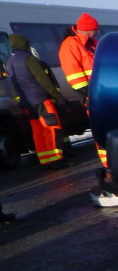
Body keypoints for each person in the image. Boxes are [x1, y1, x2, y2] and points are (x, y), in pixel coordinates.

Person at [5, 34, 72, 168]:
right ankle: (57, 160)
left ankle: (45, 160)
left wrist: (20, 101)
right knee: (52, 128)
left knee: (38, 131)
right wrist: (57, 95)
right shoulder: (29, 59)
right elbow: (44, 80)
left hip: (28, 103)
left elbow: (15, 85)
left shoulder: (9, 62)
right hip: (42, 99)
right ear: (24, 43)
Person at [59, 13, 104, 166]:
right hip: (92, 95)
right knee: (102, 128)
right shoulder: (70, 45)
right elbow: (74, 75)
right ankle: (109, 164)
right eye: (95, 29)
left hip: (102, 92)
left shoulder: (92, 42)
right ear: (87, 29)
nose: (97, 31)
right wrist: (89, 92)